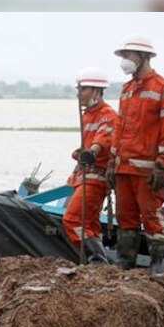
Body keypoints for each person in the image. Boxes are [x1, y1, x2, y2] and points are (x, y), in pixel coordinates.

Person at [106, 34, 164, 276]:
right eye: (123, 56)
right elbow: (119, 127)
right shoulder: (127, 90)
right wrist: (111, 162)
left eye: (128, 56)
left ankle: (156, 266)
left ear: (144, 57)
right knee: (126, 217)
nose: (124, 61)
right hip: (124, 167)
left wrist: (162, 166)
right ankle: (125, 264)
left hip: (147, 169)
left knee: (151, 216)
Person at [64, 66, 116, 264]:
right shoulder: (87, 115)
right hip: (84, 176)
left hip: (95, 177)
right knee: (90, 224)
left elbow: (102, 139)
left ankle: (97, 260)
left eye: (83, 90)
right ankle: (96, 262)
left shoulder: (107, 115)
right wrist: (80, 152)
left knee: (73, 219)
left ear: (96, 90)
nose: (79, 94)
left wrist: (91, 152)